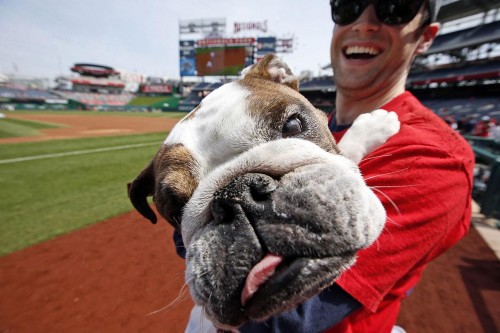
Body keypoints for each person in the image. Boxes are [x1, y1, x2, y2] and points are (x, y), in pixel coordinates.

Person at [181, 0, 474, 332]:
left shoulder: (433, 155)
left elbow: (286, 317)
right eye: (348, 6)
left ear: (425, 37)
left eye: (395, 7)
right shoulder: (311, 126)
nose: (364, 23)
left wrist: (195, 230)